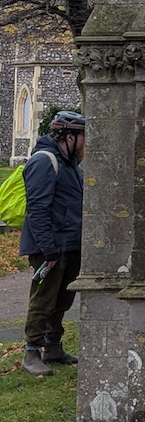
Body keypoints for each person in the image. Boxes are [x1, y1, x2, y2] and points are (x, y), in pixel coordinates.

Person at [19, 111, 85, 377]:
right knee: (43, 300)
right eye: (83, 137)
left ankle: (53, 347)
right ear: (69, 136)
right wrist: (49, 250)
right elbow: (37, 209)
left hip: (69, 243)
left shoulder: (69, 164)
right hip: (50, 248)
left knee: (62, 299)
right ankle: (31, 352)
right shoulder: (44, 162)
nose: (85, 144)